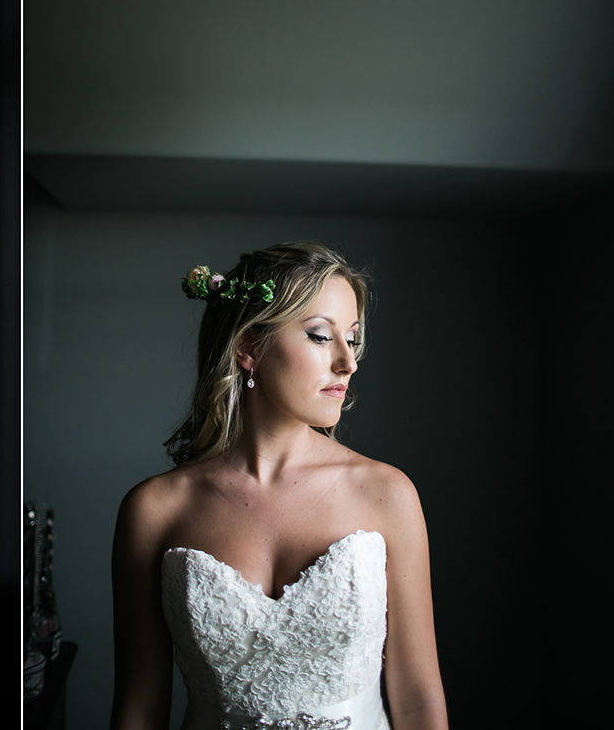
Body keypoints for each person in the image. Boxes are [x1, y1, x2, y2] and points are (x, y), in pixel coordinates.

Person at [111, 242, 447, 730]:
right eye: (319, 336)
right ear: (248, 346)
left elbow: (418, 700)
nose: (347, 363)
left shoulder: (386, 493)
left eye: (351, 339)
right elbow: (139, 707)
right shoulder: (155, 510)